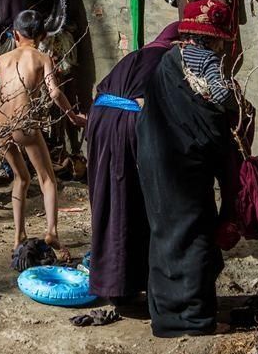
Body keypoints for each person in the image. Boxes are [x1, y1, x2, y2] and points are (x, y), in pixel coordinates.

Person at [137, 0, 245, 338]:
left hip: (155, 160)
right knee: (195, 234)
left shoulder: (169, 60)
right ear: (214, 39)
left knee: (163, 233)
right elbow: (220, 96)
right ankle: (195, 320)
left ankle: (165, 314)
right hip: (187, 166)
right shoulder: (209, 62)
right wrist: (236, 105)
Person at [0, 10, 86, 254]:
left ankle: (18, 236)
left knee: (21, 178)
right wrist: (73, 116)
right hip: (25, 125)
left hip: (0, 127)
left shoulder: (3, 59)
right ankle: (52, 233)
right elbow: (55, 92)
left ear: (15, 34)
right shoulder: (43, 58)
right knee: (47, 179)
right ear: (43, 35)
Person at [86, 22, 180, 305]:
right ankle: (126, 282)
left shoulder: (136, 56)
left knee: (107, 201)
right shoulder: (170, 61)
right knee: (132, 202)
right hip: (126, 127)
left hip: (100, 122)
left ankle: (111, 281)